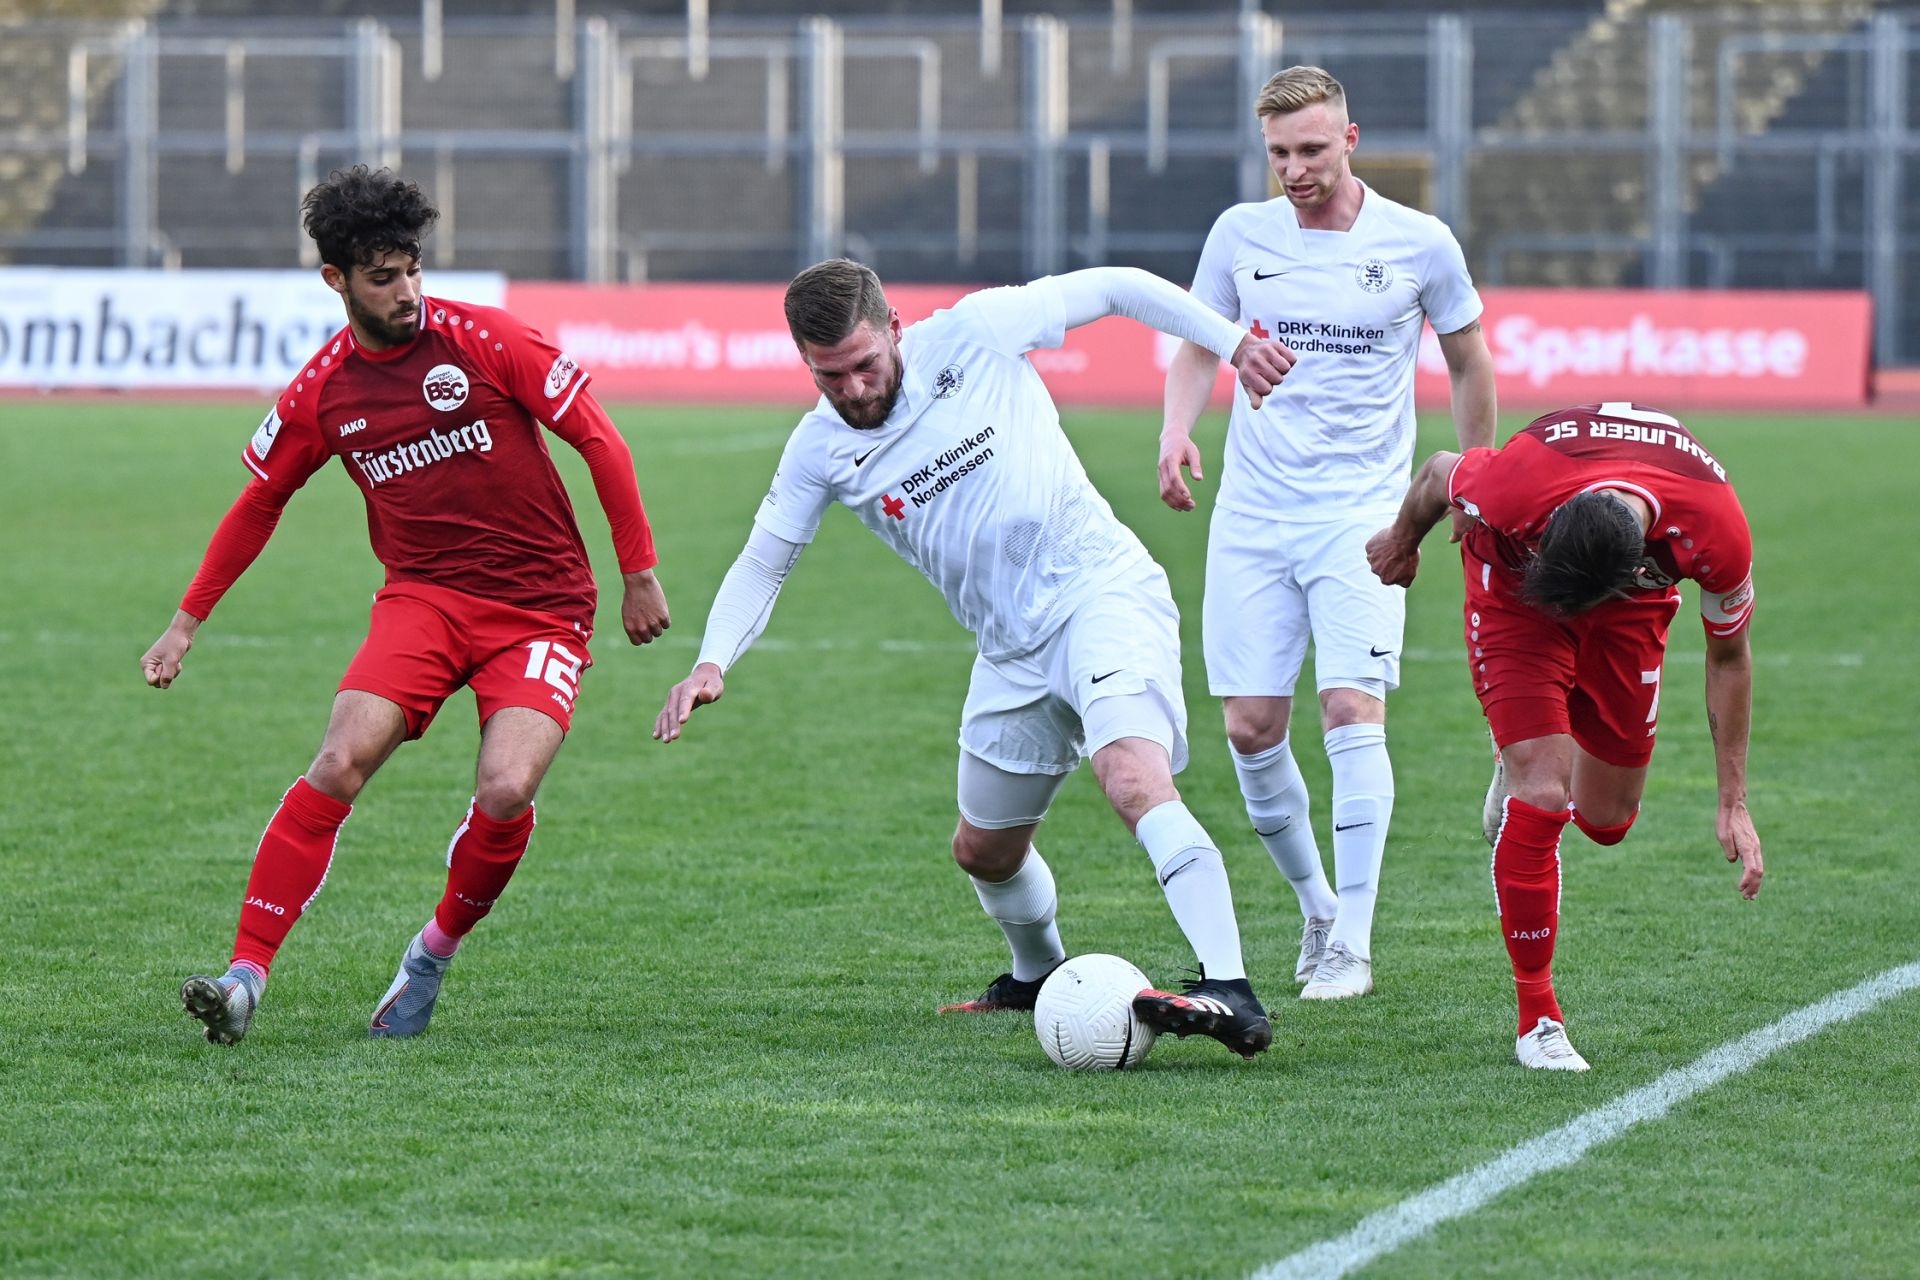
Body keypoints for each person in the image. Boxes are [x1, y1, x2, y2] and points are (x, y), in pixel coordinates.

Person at [654, 258, 1297, 1059]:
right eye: (830, 377)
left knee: (1132, 775)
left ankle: (1229, 986)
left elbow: (1120, 287)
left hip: (1100, 593)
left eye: (865, 365)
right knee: (984, 850)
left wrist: (1234, 343)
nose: (853, 390)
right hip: (1009, 650)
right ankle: (1036, 975)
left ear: (896, 331)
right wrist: (714, 661)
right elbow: (764, 560)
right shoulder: (818, 449)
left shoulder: (976, 331)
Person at [143, 165, 670, 1045]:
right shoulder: (324, 391)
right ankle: (244, 976)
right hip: (424, 600)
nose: (407, 292)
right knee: (339, 759)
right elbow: (258, 503)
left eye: (412, 269)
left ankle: (431, 954)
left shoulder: (487, 339)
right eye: (382, 278)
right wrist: (185, 622)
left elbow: (598, 438)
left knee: (506, 788)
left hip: (540, 608)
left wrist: (639, 571)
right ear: (336, 282)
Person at [1157, 65, 1497, 1000]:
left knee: (1351, 709)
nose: (1294, 170)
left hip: (1363, 516)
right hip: (1254, 515)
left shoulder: (1420, 244)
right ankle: (1313, 906)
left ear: (1351, 140)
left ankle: (1354, 935)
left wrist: (1478, 478)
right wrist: (1176, 429)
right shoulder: (1239, 234)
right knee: (1252, 727)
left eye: (1311, 149)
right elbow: (1196, 340)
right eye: (1278, 153)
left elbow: (1469, 361)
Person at [1366, 401, 1764, 1070]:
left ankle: (1527, 752)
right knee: (1544, 795)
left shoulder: (1715, 528)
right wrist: (1404, 538)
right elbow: (1438, 473)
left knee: (1607, 819)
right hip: (1515, 591)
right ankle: (1539, 1018)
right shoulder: (1518, 483)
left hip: (1627, 612)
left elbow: (1729, 657)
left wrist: (1734, 800)